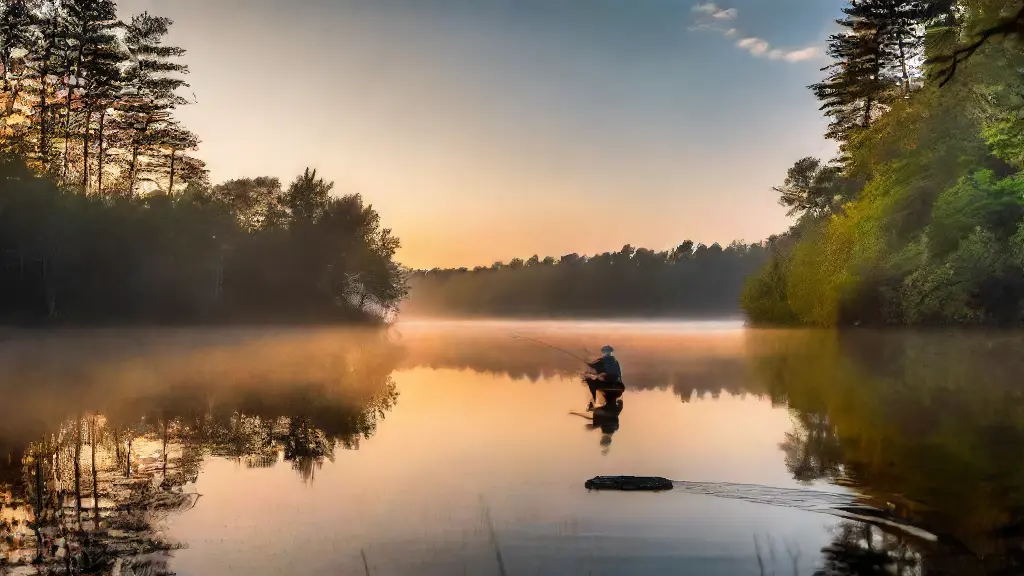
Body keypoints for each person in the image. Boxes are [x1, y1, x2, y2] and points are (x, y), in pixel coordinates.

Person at [585, 345, 624, 409]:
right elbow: (619, 374)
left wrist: (588, 363)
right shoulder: (615, 361)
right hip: (617, 383)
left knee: (589, 380)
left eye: (606, 351)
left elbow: (593, 365)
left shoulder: (602, 360)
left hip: (606, 382)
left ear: (603, 352)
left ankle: (595, 400)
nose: (606, 353)